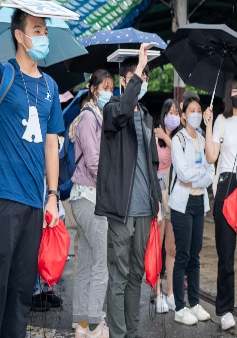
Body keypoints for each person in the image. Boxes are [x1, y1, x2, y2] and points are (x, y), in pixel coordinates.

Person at [0, 9, 63, 338]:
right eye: (37, 30)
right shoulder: (4, 76)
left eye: (45, 32)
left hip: (35, 204)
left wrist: (52, 196)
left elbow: (52, 145)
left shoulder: (51, 87)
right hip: (4, 198)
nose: (43, 38)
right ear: (19, 36)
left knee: (23, 290)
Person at [95, 44, 162, 338]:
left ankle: (133, 333)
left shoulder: (147, 116)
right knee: (119, 277)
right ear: (125, 80)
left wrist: (157, 201)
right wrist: (137, 71)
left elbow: (153, 163)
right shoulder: (112, 110)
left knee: (137, 275)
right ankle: (118, 334)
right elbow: (123, 111)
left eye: (145, 75)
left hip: (144, 209)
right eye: (138, 75)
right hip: (121, 210)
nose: (143, 80)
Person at [203, 73, 237, 331]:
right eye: (235, 89)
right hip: (227, 188)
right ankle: (224, 309)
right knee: (226, 254)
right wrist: (209, 124)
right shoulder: (223, 120)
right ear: (228, 94)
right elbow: (211, 157)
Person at [70, 69, 114, 338]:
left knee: (87, 262)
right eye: (105, 87)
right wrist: (112, 189)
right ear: (94, 89)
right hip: (90, 198)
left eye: (112, 86)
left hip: (86, 198)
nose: (109, 91)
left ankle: (82, 325)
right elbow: (95, 162)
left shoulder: (96, 117)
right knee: (100, 265)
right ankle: (96, 324)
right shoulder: (89, 118)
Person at [169, 94, 214, 326]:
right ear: (184, 115)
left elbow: (210, 173)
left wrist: (196, 178)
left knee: (195, 256)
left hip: (199, 203)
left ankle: (194, 302)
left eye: (199, 109)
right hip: (182, 205)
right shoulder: (179, 140)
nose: (197, 113)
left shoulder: (204, 137)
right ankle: (179, 307)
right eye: (192, 110)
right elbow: (183, 174)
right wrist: (199, 177)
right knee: (183, 256)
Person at [152, 99, 180, 313]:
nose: (173, 116)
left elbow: (182, 155)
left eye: (176, 112)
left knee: (171, 247)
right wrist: (162, 137)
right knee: (157, 246)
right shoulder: (155, 137)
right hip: (159, 193)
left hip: (175, 194)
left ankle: (171, 293)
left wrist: (167, 138)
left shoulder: (179, 138)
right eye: (169, 112)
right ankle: (158, 292)